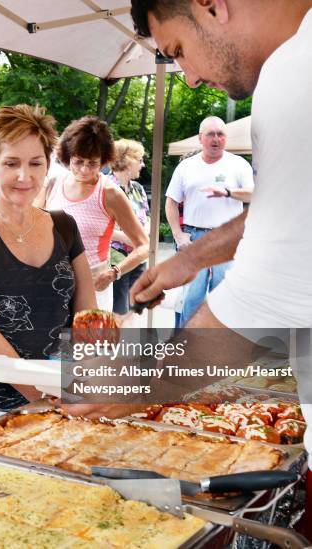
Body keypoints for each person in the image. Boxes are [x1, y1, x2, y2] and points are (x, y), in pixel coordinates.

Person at [129, 0, 312, 536]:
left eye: (178, 51)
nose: (187, 77)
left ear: (211, 5)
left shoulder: (294, 68)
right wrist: (187, 259)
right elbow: (281, 210)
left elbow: (269, 290)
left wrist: (136, 384)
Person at [0, 105, 97, 427]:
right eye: (11, 163)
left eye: (35, 163)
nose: (24, 176)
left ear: (47, 166)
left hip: (66, 396)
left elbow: (87, 316)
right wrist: (42, 397)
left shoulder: (64, 225)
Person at [36, 116, 149, 311]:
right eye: (78, 161)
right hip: (52, 286)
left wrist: (115, 272)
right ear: (67, 156)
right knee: (57, 342)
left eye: (93, 163)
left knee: (88, 342)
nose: (84, 169)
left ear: (104, 161)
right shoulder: (52, 184)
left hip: (94, 288)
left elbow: (144, 245)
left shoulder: (110, 193)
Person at [165, 116, 254, 326]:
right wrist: (178, 235)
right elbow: (170, 202)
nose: (216, 139)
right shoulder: (187, 166)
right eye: (211, 134)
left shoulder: (238, 164)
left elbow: (253, 195)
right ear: (200, 138)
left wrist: (228, 192)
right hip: (194, 238)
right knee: (190, 299)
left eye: (221, 134)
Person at [108, 139, 150, 314]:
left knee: (136, 308)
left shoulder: (138, 189)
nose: (143, 164)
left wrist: (143, 238)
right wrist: (129, 238)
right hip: (116, 260)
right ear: (127, 160)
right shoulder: (105, 187)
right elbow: (97, 227)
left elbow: (147, 218)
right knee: (119, 310)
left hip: (139, 258)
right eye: (139, 160)